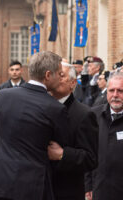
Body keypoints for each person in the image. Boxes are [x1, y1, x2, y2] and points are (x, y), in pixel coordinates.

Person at [0, 51, 69, 200]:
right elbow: (56, 149)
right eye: (59, 74)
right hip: (33, 187)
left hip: (0, 182)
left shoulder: (2, 96)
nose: (61, 78)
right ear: (48, 75)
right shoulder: (55, 108)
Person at [85, 72, 123, 200]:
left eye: (120, 91)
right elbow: (87, 152)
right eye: (111, 90)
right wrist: (88, 185)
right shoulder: (94, 115)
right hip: (100, 190)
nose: (115, 95)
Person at [48, 62, 98, 200]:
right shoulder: (40, 108)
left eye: (61, 75)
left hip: (66, 191)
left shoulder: (84, 114)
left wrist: (63, 154)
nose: (56, 79)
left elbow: (90, 159)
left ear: (73, 83)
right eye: (53, 75)